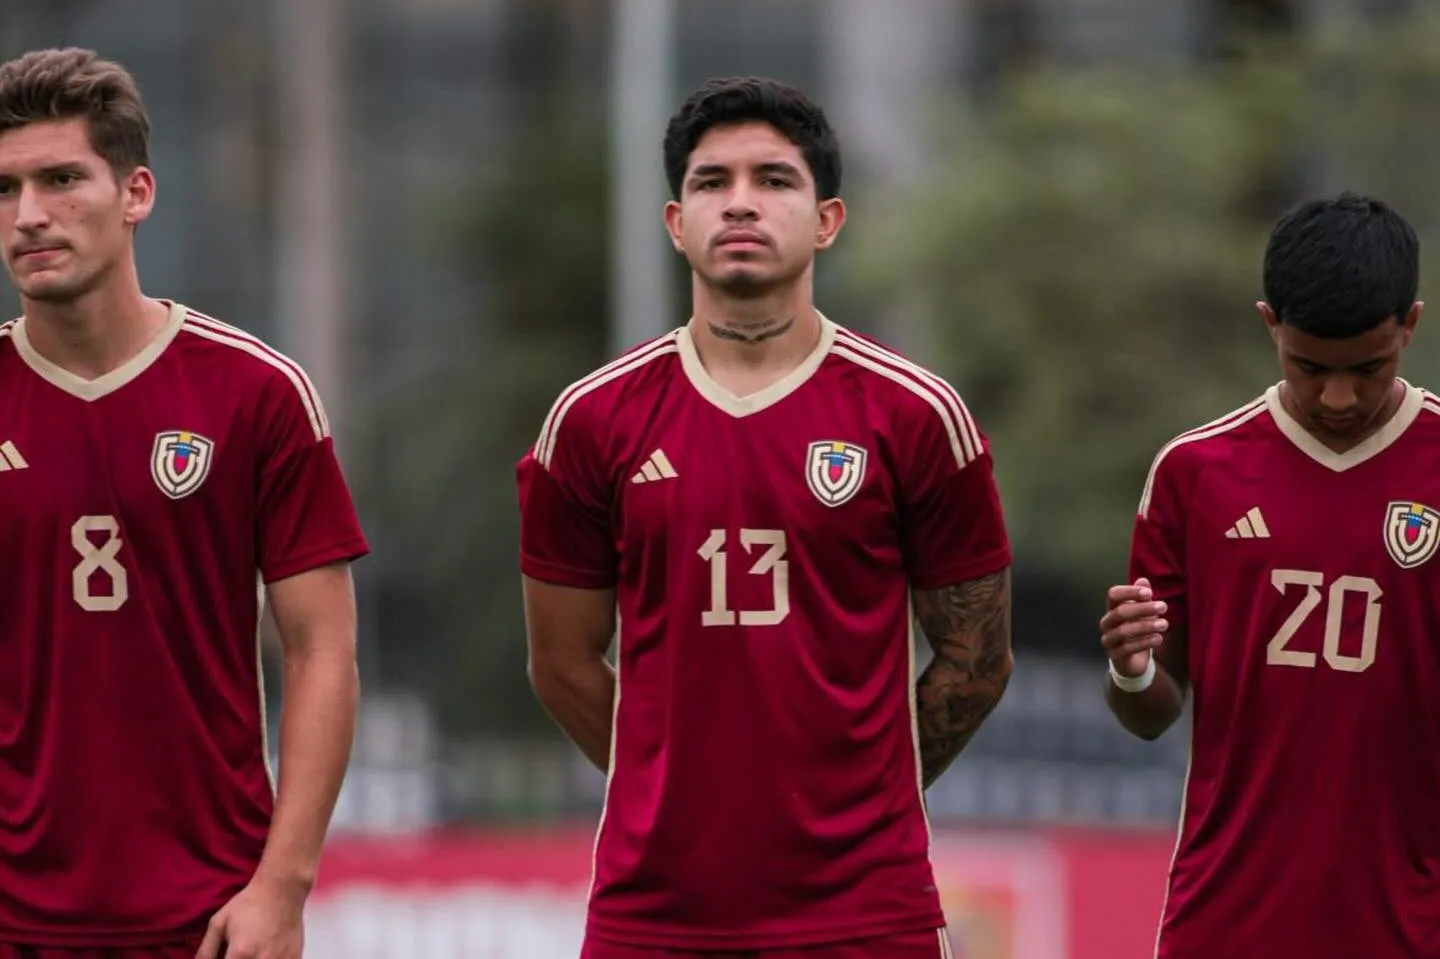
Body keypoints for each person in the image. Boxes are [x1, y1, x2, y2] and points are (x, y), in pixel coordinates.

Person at [517, 75, 1014, 959]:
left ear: (827, 220)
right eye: (713, 183)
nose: (740, 203)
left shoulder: (914, 414)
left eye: (774, 180)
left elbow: (977, 659)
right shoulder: (591, 420)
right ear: (677, 224)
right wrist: (670, 793)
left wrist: (859, 798)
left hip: (867, 914)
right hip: (654, 916)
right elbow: (561, 660)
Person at [0, 48, 368, 959]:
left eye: (60, 179)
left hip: (208, 920)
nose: (29, 215)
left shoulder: (255, 393)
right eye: (5, 190)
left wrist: (280, 890)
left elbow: (322, 649)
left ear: (137, 193)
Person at [1100, 191, 1440, 958]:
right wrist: (1130, 669)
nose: (1339, 396)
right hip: (1225, 923)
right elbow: (1155, 710)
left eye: (1370, 367)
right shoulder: (1196, 472)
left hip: (1410, 923)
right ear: (1269, 325)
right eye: (1310, 366)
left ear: (1410, 325)